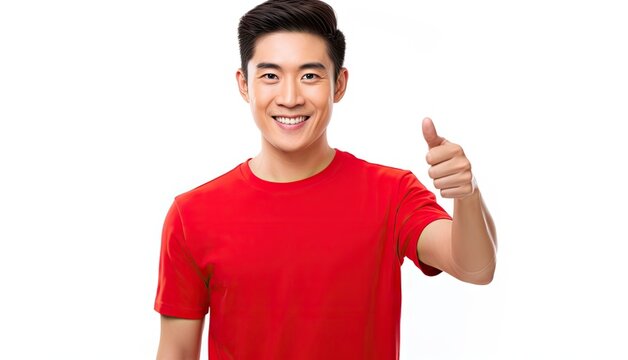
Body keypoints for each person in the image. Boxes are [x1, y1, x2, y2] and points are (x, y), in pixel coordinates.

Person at [153, 0, 497, 358]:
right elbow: (175, 352)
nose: (290, 98)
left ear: (339, 84)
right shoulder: (192, 214)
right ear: (244, 85)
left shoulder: (391, 193)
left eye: (310, 75)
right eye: (270, 76)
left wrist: (467, 195)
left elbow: (475, 267)